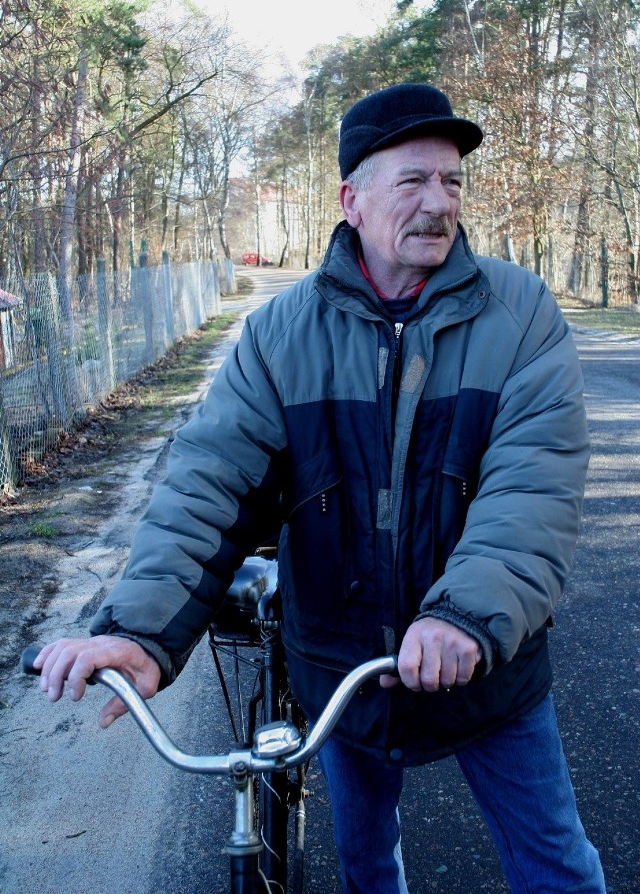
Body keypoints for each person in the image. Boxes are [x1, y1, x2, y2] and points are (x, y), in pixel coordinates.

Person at [35, 83, 606, 894]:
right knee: (367, 867)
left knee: (557, 868)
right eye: (413, 181)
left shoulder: (522, 313)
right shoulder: (279, 332)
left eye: (452, 183)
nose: (438, 203)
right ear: (353, 199)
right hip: (339, 664)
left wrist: (466, 617)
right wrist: (139, 632)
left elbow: (533, 491)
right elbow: (208, 485)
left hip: (484, 668)